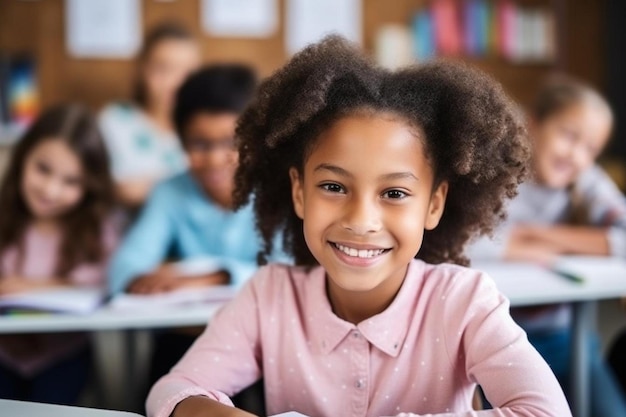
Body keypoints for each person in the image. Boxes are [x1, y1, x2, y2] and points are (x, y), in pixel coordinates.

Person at [146, 36, 571, 417]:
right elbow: (172, 391)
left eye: (394, 193)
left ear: (434, 204)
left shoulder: (464, 304)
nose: (361, 220)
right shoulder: (269, 299)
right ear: (299, 192)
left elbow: (546, 411)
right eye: (333, 186)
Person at [467, 74, 626, 416]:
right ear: (534, 124)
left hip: (563, 340)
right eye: (569, 135)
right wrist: (520, 245)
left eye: (591, 149)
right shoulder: (496, 174)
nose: (576, 154)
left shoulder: (586, 181)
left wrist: (537, 235)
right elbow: (459, 242)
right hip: (493, 341)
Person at [108, 64, 272, 389]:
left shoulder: (277, 192)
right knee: (167, 383)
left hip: (262, 337)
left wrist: (211, 278)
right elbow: (122, 269)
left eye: (230, 143)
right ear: (181, 141)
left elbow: (292, 275)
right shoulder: (171, 192)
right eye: (199, 144)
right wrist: (144, 279)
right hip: (187, 341)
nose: (214, 159)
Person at [0, 104, 119, 404]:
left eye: (72, 181)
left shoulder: (96, 226)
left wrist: (35, 286)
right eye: (43, 169)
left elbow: (110, 278)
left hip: (63, 355)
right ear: (23, 157)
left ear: (90, 185)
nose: (51, 191)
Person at [99, 21, 201, 209]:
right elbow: (118, 188)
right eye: (164, 69)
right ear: (142, 69)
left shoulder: (202, 130)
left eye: (187, 72)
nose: (175, 82)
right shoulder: (115, 120)